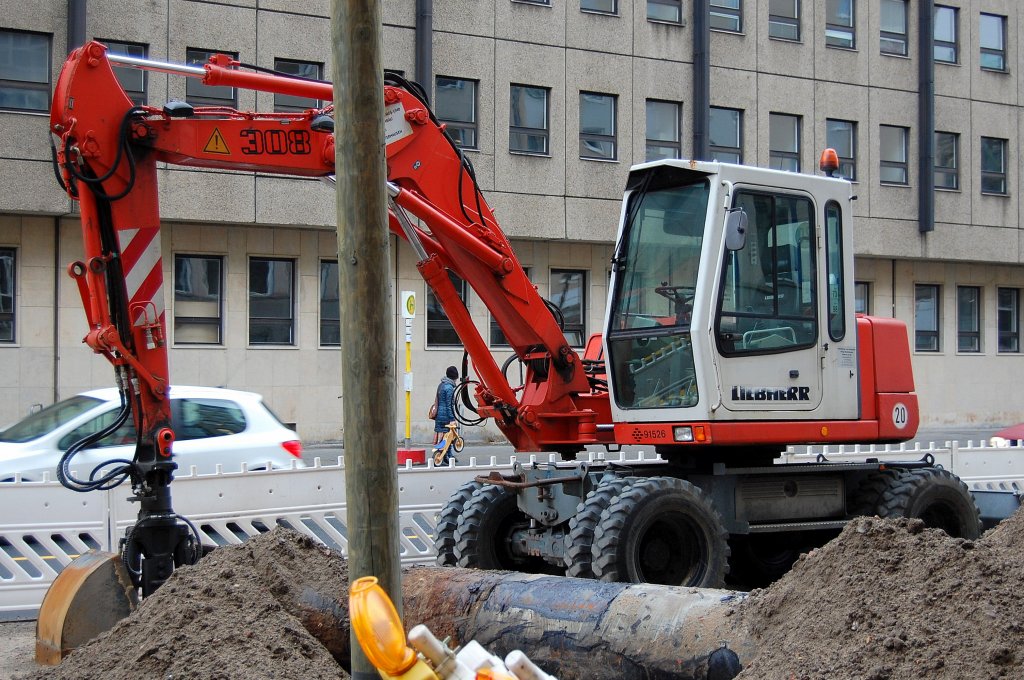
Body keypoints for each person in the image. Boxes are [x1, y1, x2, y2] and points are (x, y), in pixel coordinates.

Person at [433, 366, 458, 445]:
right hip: (446, 416)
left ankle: (440, 454)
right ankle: (448, 456)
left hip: (438, 416)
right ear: (455, 376)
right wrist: (452, 418)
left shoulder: (441, 385)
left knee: (441, 437)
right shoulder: (449, 388)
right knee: (449, 437)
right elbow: (449, 405)